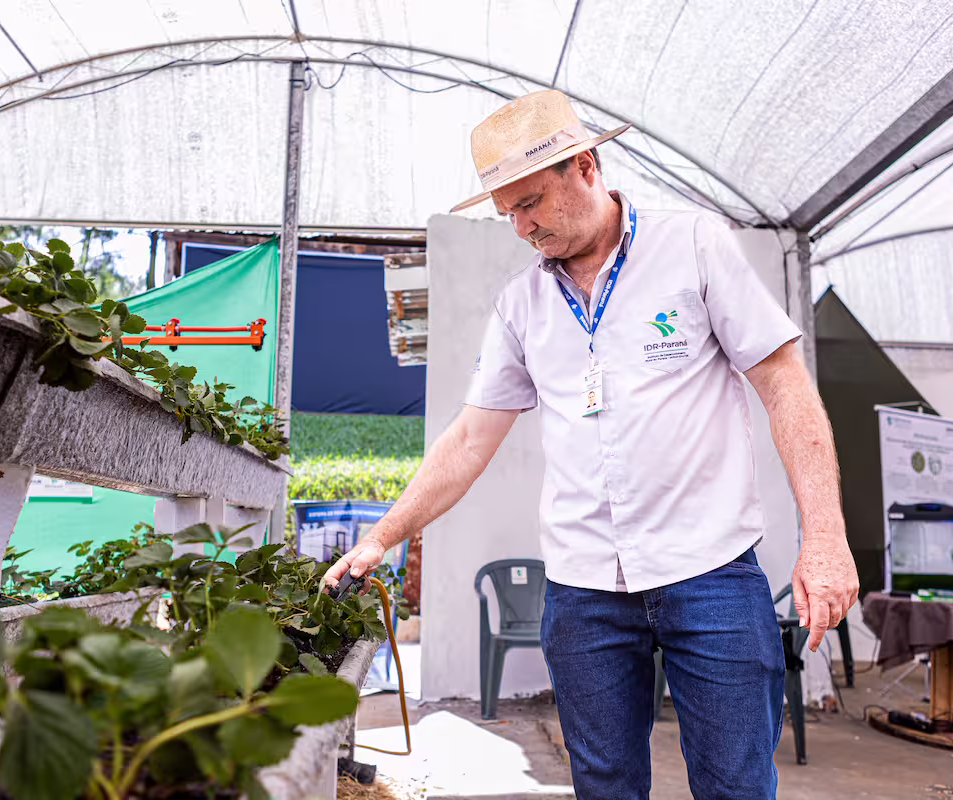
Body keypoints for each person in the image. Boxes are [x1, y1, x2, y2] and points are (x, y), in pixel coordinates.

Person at [325, 89, 859, 799]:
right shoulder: (522, 304)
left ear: (585, 166)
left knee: (735, 784)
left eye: (529, 203)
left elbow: (784, 385)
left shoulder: (692, 246)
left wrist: (825, 536)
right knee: (604, 786)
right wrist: (383, 536)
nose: (519, 227)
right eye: (506, 212)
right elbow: (469, 440)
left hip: (710, 573)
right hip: (583, 593)